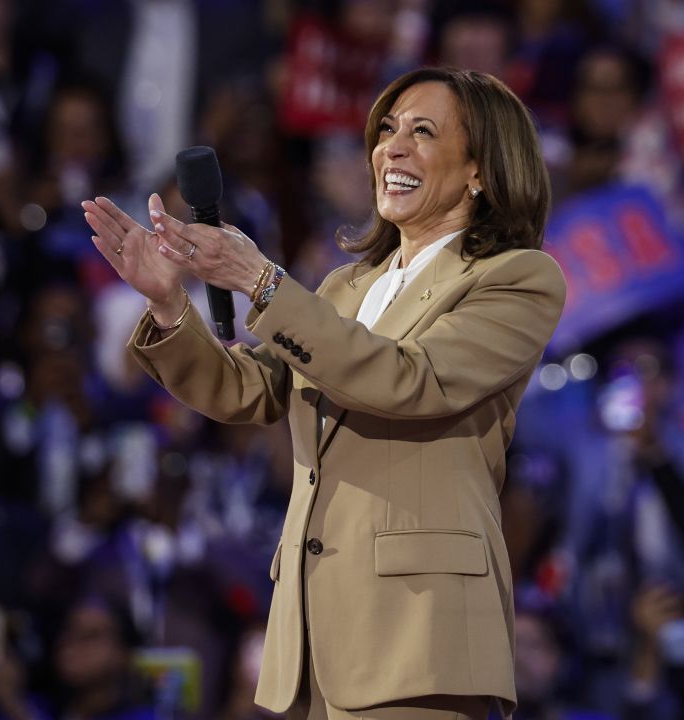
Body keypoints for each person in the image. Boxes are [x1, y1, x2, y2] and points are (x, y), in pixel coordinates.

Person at [83, 67, 566, 719]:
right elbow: (249, 392)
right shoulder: (345, 288)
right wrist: (170, 307)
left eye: (423, 132)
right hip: (314, 635)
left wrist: (259, 279)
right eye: (387, 129)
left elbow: (409, 381)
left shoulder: (515, 279)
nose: (391, 147)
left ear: (480, 169)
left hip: (420, 636)